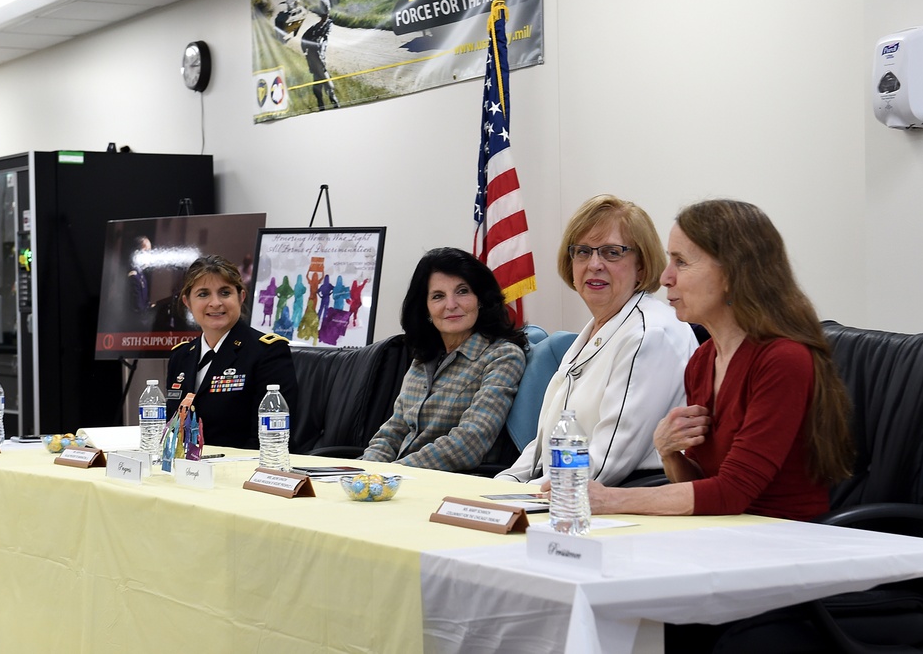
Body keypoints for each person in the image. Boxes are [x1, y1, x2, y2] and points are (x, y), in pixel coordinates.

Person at [569, 199, 854, 522]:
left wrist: (609, 499)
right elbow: (704, 488)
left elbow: (731, 493)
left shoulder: (783, 360)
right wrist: (670, 453)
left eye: (681, 262)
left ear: (732, 273)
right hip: (723, 534)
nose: (665, 278)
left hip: (786, 544)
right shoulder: (704, 359)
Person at [497, 195, 697, 486]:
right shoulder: (595, 331)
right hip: (568, 490)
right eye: (582, 252)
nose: (594, 264)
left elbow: (608, 460)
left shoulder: (648, 334)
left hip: (626, 496)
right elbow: (545, 446)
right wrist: (501, 485)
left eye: (612, 252)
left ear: (641, 265)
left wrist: (525, 496)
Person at [360, 247, 527, 471]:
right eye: (438, 296)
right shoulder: (423, 358)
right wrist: (363, 473)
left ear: (480, 299)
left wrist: (392, 473)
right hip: (397, 481)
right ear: (426, 309)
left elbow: (469, 443)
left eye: (462, 291)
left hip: (450, 486)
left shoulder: (503, 356)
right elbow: (393, 432)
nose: (451, 305)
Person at [166, 255, 299, 449]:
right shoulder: (181, 356)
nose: (215, 303)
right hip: (188, 470)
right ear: (187, 302)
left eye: (225, 293)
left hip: (241, 470)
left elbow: (268, 440)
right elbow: (173, 427)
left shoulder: (268, 352)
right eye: (203, 294)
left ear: (241, 297)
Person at [301, 0, 340, 111]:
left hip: (318, 60)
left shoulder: (326, 26)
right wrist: (306, 52)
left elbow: (322, 40)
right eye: (324, 13)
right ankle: (325, 106)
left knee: (326, 85)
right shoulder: (315, 28)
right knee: (319, 86)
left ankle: (333, 105)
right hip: (314, 60)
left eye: (325, 13)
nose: (325, 16)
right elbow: (304, 39)